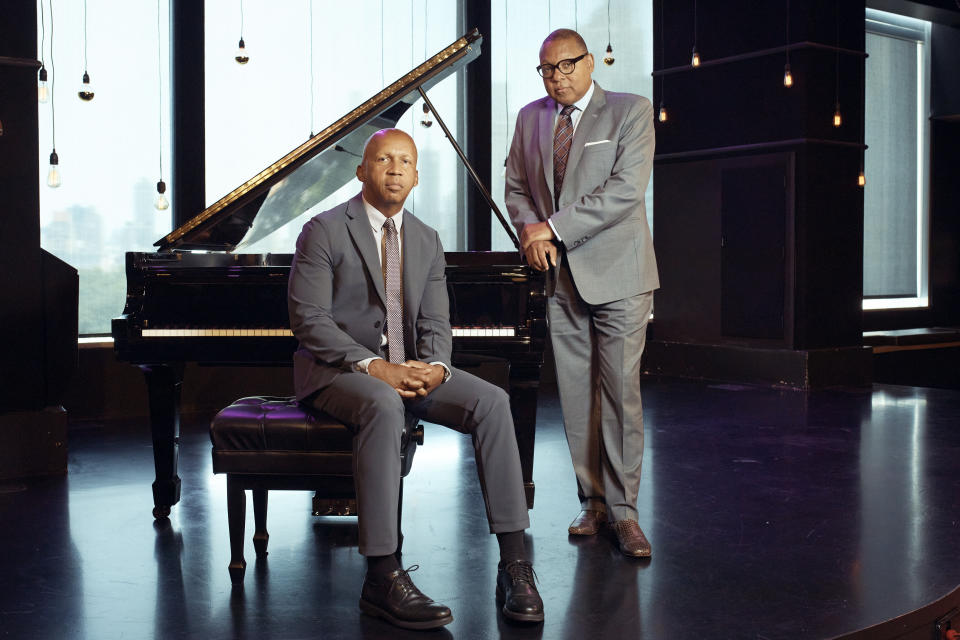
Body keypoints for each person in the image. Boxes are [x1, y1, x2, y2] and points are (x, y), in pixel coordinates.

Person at [288, 128, 544, 629]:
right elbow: (309, 320)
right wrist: (375, 366)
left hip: (408, 370)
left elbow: (434, 322)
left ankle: (515, 564)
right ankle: (382, 575)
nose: (396, 168)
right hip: (339, 372)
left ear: (417, 176)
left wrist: (437, 368)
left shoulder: (425, 238)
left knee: (492, 401)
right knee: (383, 404)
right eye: (384, 158)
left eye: (406, 160)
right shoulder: (322, 230)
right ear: (362, 170)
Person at [504, 29, 659, 558]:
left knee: (619, 394)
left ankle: (625, 513)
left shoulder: (631, 111)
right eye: (547, 68)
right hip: (559, 278)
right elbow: (516, 188)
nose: (557, 77)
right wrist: (530, 231)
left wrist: (551, 227)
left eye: (567, 65)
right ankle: (592, 504)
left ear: (590, 63)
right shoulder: (530, 117)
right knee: (575, 396)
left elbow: (624, 191)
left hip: (620, 273)